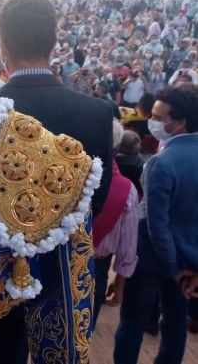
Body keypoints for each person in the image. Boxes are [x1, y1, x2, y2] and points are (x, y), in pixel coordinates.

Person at [0, 0, 113, 364]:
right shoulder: (97, 113)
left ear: (2, 45)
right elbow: (95, 203)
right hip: (63, 274)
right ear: (54, 44)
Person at [114, 84, 198, 364]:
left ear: (180, 122)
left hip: (152, 259)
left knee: (132, 325)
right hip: (189, 261)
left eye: (159, 117)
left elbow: (157, 225)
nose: (152, 121)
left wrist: (174, 269)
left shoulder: (161, 163)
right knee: (174, 327)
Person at [91, 120, 139, 330]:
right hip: (98, 267)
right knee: (82, 334)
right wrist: (120, 285)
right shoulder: (127, 190)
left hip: (58, 261)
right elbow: (128, 248)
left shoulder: (64, 175)